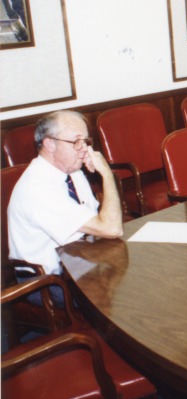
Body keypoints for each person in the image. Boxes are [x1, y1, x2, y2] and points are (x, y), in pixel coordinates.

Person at [8, 110, 123, 276]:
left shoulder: (72, 171)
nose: (85, 149)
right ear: (50, 144)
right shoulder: (37, 188)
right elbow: (111, 228)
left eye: (86, 141)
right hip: (47, 281)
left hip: (78, 260)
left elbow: (98, 220)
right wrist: (106, 174)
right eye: (76, 141)